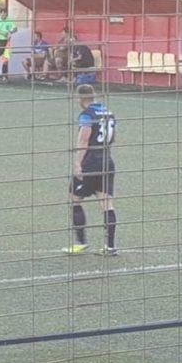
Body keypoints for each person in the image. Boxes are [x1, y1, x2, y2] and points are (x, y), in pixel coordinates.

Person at [64, 84, 119, 256]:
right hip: (107, 160)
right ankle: (110, 247)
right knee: (106, 203)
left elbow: (83, 140)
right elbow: (113, 137)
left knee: (74, 198)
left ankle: (81, 243)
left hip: (91, 162)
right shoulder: (108, 112)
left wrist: (78, 164)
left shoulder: (87, 115)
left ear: (80, 98)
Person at [0, 8, 17, 83]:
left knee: (5, 59)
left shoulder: (9, 20)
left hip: (6, 41)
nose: (4, 16)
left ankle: (4, 77)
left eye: (5, 14)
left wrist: (10, 32)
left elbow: (15, 28)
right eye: (3, 14)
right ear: (0, 13)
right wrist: (3, 33)